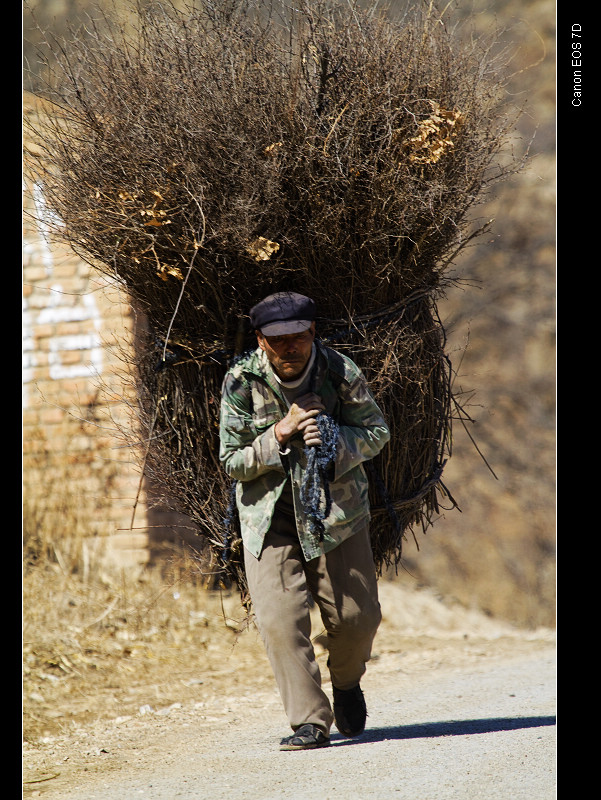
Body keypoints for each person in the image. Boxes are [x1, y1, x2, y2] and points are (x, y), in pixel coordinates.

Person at [219, 291, 391, 750]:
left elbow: (376, 431)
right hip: (269, 519)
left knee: (358, 619)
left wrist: (332, 441)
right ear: (260, 340)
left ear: (312, 332)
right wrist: (280, 434)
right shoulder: (241, 380)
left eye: (298, 337)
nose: (289, 348)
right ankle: (309, 722)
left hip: (335, 514)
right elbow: (232, 460)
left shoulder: (339, 370)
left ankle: (347, 683)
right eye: (278, 341)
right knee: (279, 622)